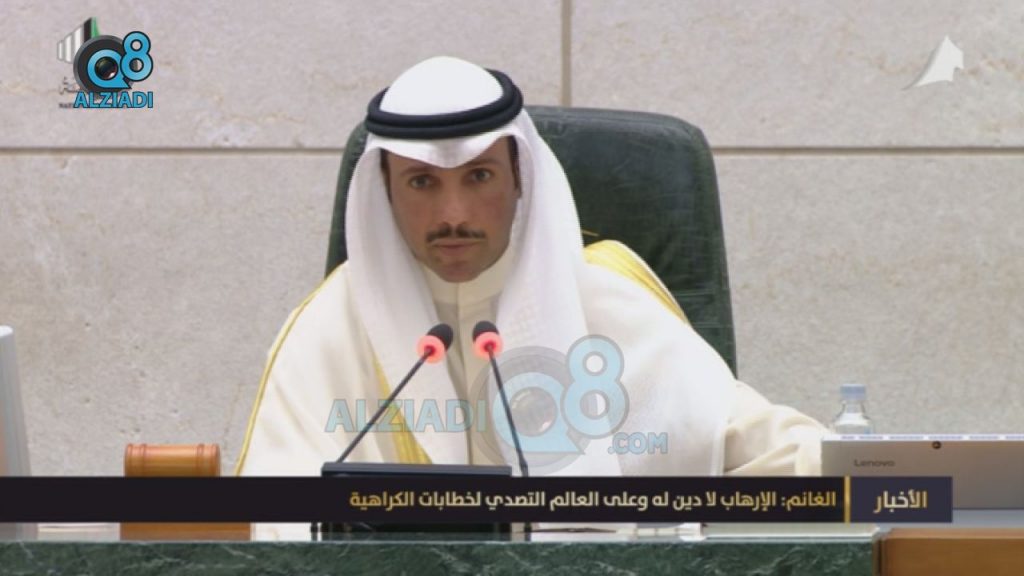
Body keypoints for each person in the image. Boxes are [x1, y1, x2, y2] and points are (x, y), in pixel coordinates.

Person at [235, 57, 825, 487]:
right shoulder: (332, 324)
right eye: (421, 182)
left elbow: (764, 450)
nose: (453, 214)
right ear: (384, 191)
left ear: (520, 178)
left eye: (480, 176)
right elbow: (271, 517)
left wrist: (871, 471)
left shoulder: (601, 293)